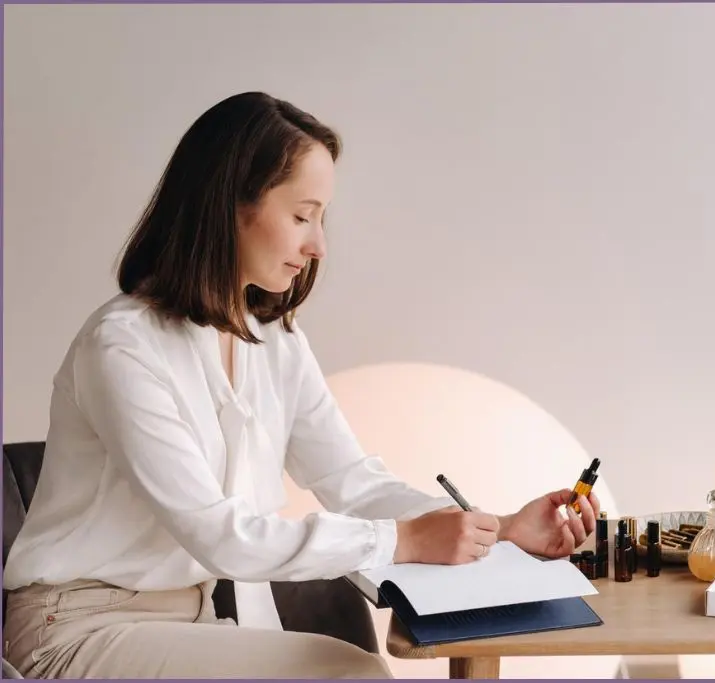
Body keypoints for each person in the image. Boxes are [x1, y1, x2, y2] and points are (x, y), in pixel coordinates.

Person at [2, 91, 601, 679]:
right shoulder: (123, 345)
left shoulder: (275, 343)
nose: (317, 245)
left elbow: (351, 481)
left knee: (353, 670)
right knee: (351, 675)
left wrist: (500, 529)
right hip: (77, 631)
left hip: (191, 623)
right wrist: (402, 540)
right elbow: (219, 535)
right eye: (301, 215)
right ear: (230, 204)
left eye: (321, 218)